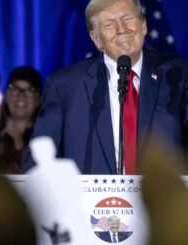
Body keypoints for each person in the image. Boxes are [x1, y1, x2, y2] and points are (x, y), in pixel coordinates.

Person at [22, 0, 188, 174]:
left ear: (144, 26)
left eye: (128, 18)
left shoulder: (179, 75)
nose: (122, 29)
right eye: (109, 24)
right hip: (88, 200)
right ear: (96, 40)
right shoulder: (65, 86)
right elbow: (36, 160)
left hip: (163, 199)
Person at [0, 66, 44, 172]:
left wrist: (19, 145)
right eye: (14, 88)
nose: (21, 95)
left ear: (39, 99)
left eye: (30, 89)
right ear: (6, 96)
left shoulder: (48, 138)